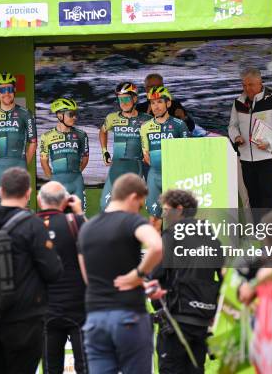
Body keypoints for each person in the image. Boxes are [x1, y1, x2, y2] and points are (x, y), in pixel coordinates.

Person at [0, 167, 63, 374]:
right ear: (28, 193)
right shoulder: (33, 225)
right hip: (25, 321)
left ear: (0, 191)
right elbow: (53, 271)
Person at [78, 173, 164, 374]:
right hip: (128, 315)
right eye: (141, 204)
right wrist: (139, 275)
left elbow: (87, 276)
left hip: (95, 318)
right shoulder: (132, 221)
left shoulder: (86, 228)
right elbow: (157, 246)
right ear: (133, 197)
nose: (139, 210)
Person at [152, 189, 223, 374]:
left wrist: (158, 307)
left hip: (175, 322)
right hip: (202, 322)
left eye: (166, 210)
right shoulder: (211, 237)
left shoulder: (170, 235)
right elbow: (223, 275)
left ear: (180, 209)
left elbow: (155, 275)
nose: (163, 214)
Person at [36, 181, 88, 374]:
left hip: (44, 310)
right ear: (66, 201)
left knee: (50, 368)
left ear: (39, 200)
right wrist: (80, 213)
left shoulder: (29, 225)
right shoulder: (76, 222)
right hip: (78, 307)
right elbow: (97, 242)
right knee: (86, 367)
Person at [228, 67, 272, 209]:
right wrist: (236, 136)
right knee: (253, 197)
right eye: (244, 85)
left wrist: (270, 142)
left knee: (267, 194)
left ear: (260, 82)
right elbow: (232, 126)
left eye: (250, 85)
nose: (247, 88)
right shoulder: (238, 103)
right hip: (246, 159)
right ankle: (258, 230)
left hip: (267, 157)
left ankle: (271, 230)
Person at [140, 86, 189, 230]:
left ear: (168, 104)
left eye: (159, 102)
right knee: (155, 219)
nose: (156, 106)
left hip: (175, 176)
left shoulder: (179, 125)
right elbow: (146, 155)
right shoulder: (145, 127)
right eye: (153, 103)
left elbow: (187, 152)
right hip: (154, 177)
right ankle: (157, 251)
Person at [99, 82, 152, 210]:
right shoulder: (112, 118)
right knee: (105, 205)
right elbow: (102, 131)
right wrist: (104, 151)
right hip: (117, 165)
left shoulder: (147, 119)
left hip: (136, 165)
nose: (123, 102)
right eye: (120, 99)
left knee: (128, 204)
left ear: (135, 99)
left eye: (126, 98)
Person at [0, 72, 37, 203]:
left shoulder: (25, 113)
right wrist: (1, 158)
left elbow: (33, 142)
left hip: (19, 166)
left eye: (9, 89)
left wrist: (23, 163)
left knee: (20, 212)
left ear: (14, 90)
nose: (6, 93)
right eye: (2, 89)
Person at [39, 98, 89, 210]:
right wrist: (52, 179)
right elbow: (44, 161)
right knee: (57, 217)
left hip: (77, 182)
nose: (75, 117)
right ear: (60, 116)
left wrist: (75, 172)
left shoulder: (82, 135)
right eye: (71, 114)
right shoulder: (46, 136)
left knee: (79, 217)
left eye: (75, 114)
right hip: (57, 181)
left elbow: (85, 157)